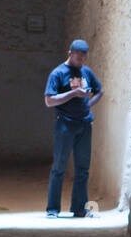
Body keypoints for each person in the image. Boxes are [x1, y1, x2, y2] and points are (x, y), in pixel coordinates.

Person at [43, 39, 104, 218]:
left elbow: (100, 90)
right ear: (70, 53)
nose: (81, 62)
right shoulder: (58, 73)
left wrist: (88, 105)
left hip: (84, 124)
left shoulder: (86, 72)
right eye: (78, 58)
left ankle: (79, 208)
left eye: (84, 58)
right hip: (65, 125)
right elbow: (49, 100)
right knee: (59, 167)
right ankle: (53, 209)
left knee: (83, 169)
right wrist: (72, 94)